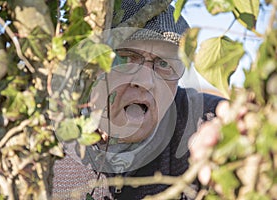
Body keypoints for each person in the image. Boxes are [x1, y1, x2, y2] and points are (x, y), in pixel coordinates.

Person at [52, 0, 225, 199]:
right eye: (126, 57)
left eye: (163, 63)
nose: (145, 81)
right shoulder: (44, 137)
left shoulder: (198, 121)